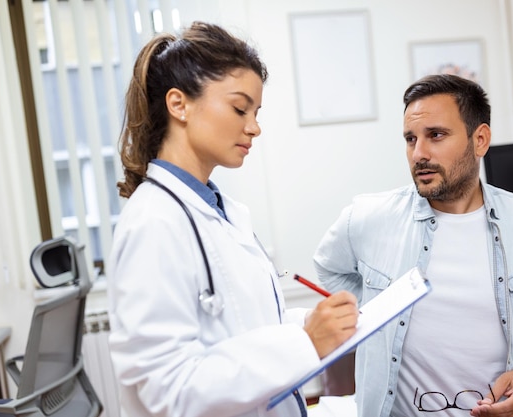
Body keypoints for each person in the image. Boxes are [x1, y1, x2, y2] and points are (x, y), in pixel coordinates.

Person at [107, 21, 359, 417]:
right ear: (179, 104)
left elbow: (244, 327)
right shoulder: (153, 224)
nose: (254, 127)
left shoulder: (221, 211)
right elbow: (169, 389)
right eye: (240, 108)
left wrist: (312, 323)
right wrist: (305, 342)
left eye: (256, 112)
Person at [313, 74, 513, 417]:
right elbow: (328, 267)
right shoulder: (366, 218)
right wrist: (376, 315)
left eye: (436, 135)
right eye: (410, 138)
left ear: (479, 140)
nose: (418, 153)